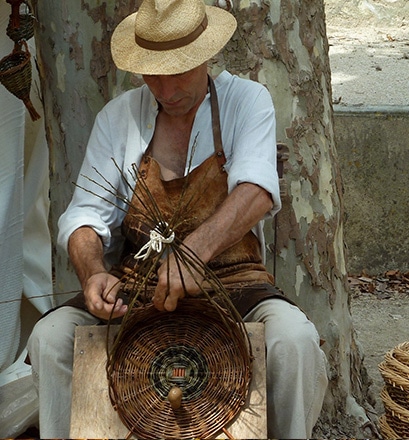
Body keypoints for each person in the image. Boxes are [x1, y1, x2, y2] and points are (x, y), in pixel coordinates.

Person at [27, 0, 328, 437]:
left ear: (206, 56)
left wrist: (193, 253)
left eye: (178, 72)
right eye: (153, 74)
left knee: (294, 343)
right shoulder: (118, 117)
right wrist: (92, 273)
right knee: (52, 337)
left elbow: (258, 192)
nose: (165, 90)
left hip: (235, 284)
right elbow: (84, 217)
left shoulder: (247, 101)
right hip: (138, 290)